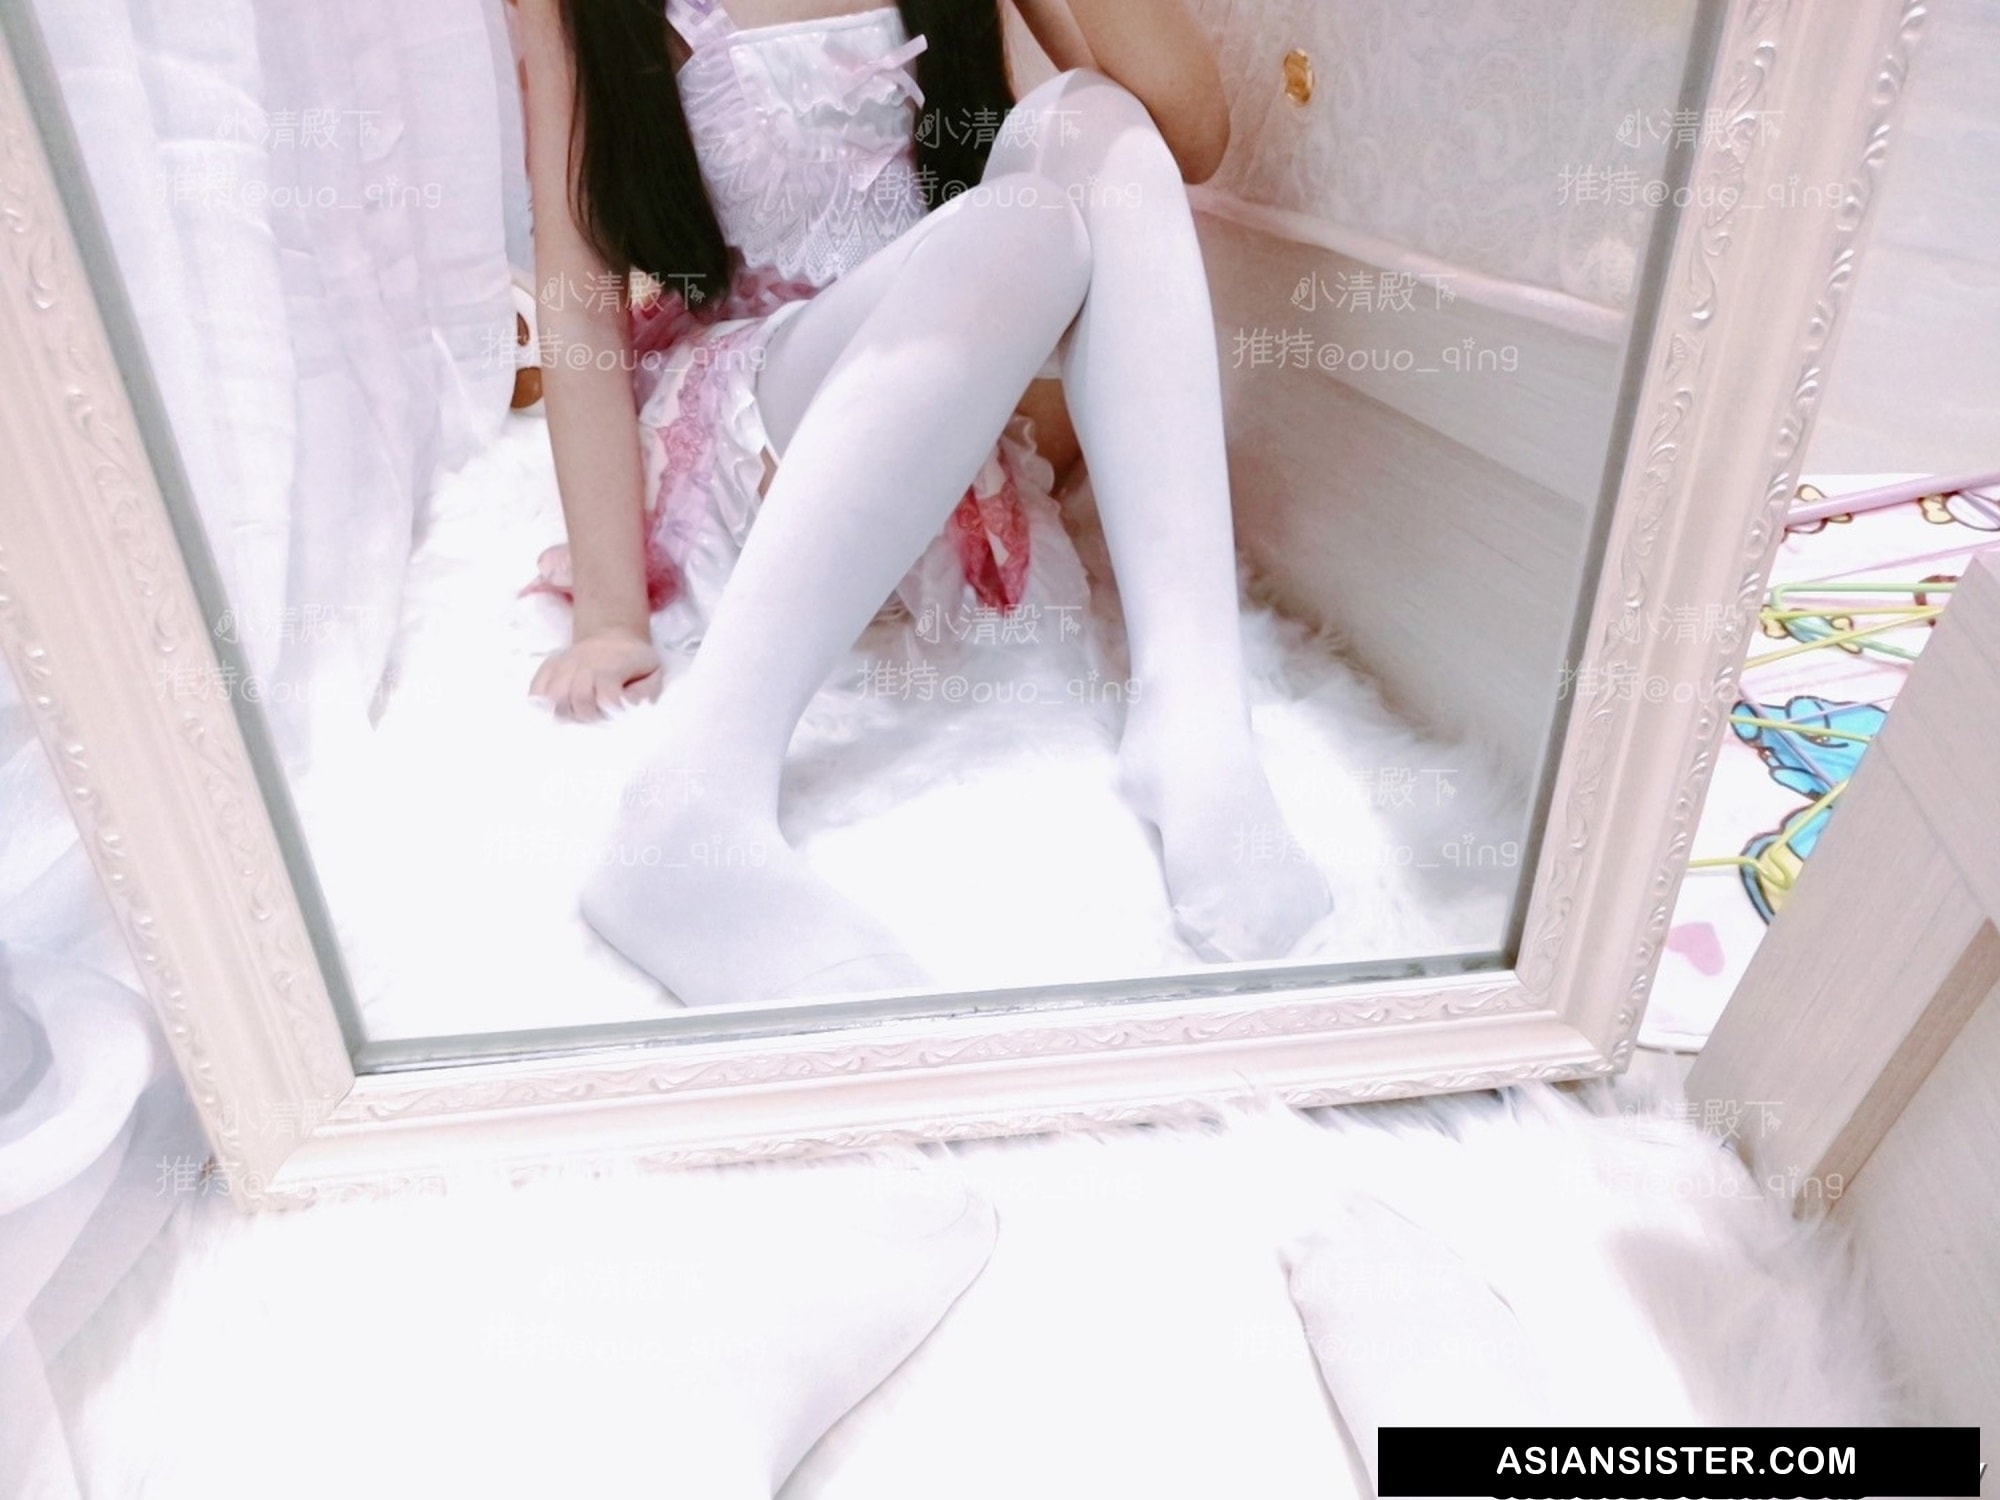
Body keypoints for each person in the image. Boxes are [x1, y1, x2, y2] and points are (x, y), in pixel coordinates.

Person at [515, 0, 1331, 1007]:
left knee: (1096, 122)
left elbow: (1188, 140)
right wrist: (609, 616)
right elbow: (577, 281)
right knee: (1020, 227)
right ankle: (690, 799)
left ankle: (1197, 718)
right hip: (766, 409)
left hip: (952, 370)